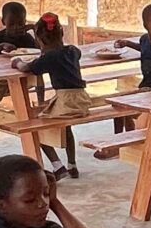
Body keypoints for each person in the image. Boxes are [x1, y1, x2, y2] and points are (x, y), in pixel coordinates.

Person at [11, 12, 91, 180]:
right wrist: (36, 29)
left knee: (34, 128)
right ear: (62, 34)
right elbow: (57, 51)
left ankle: (58, 166)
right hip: (82, 100)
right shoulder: (73, 51)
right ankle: (72, 165)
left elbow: (27, 68)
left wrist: (16, 62)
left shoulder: (49, 58)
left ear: (40, 40)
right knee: (66, 127)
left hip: (66, 101)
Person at [108, 3, 151, 149]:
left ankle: (123, 143)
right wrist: (127, 43)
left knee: (123, 105)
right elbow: (144, 49)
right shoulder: (145, 39)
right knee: (117, 105)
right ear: (146, 25)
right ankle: (120, 141)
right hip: (145, 86)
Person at [0, 1, 44, 108]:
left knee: (38, 73)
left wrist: (34, 29)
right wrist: (1, 46)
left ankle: (40, 102)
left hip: (23, 74)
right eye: (11, 24)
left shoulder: (26, 37)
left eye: (20, 23)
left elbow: (39, 50)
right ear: (3, 22)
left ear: (25, 22)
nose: (16, 27)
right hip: (1, 75)